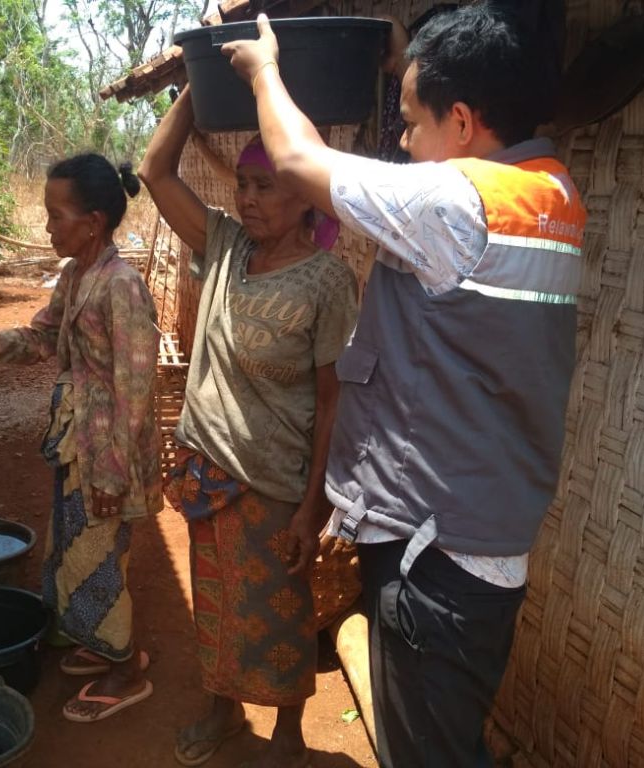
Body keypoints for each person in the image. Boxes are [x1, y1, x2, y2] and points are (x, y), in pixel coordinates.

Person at [223, 6, 586, 767]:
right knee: (445, 741)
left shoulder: (454, 207)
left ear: (461, 120)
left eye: (413, 123)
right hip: (485, 541)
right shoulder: (550, 198)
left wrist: (263, 69)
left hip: (435, 561)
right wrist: (407, 63)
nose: (403, 142)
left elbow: (294, 158)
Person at [0, 153, 163, 723]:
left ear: (92, 221)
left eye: (55, 215)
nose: (47, 227)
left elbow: (136, 392)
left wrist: (114, 474)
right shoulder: (77, 277)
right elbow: (37, 341)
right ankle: (104, 646)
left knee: (97, 558)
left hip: (106, 455)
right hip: (79, 444)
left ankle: (127, 672)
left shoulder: (121, 286)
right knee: (73, 548)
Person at [138, 88, 358, 768]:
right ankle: (222, 710)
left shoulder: (327, 281)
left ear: (305, 197)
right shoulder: (227, 246)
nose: (249, 198)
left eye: (267, 185)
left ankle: (288, 734)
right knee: (216, 604)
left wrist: (313, 505)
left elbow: (332, 401)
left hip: (276, 480)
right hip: (208, 468)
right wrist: (194, 95)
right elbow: (154, 173)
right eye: (243, 184)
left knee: (281, 612)